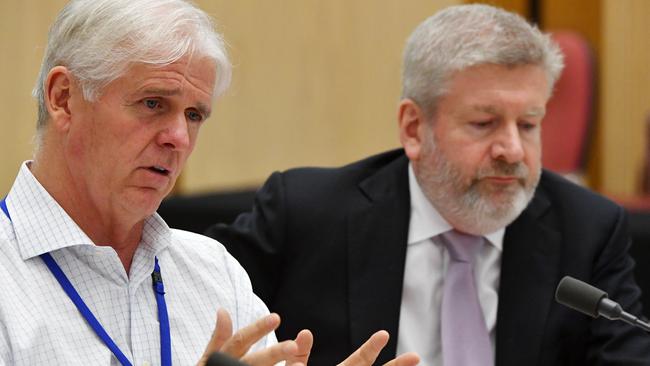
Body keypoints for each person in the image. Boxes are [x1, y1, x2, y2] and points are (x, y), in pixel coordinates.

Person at [207, 4, 650, 366]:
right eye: (484, 122)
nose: (513, 150)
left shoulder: (588, 229)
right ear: (414, 128)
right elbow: (187, 322)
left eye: (530, 124)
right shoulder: (304, 215)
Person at [0, 1, 421, 366]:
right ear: (63, 98)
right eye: (153, 103)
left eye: (194, 115)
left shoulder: (214, 271)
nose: (179, 138)